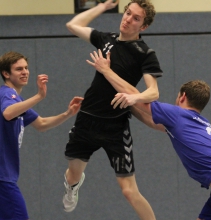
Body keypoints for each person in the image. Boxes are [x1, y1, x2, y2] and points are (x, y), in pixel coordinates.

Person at [63, 0, 162, 219]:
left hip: (115, 126)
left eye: (136, 18)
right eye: (127, 13)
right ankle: (72, 187)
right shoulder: (106, 39)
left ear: (143, 26)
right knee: (72, 176)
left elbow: (153, 92)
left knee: (129, 191)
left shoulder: (144, 53)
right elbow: (73, 24)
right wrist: (103, 7)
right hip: (86, 120)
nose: (128, 19)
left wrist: (133, 96)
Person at [108, 78, 211, 220]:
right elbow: (150, 121)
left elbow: (137, 97)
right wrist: (129, 107)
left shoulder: (178, 114)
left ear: (182, 96)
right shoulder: (198, 122)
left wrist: (106, 71)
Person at [0, 51, 83, 220]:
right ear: (6, 74)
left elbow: (42, 124)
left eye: (26, 68)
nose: (25, 72)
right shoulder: (8, 95)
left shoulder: (15, 99)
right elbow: (8, 114)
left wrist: (68, 113)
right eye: (18, 69)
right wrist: (39, 96)